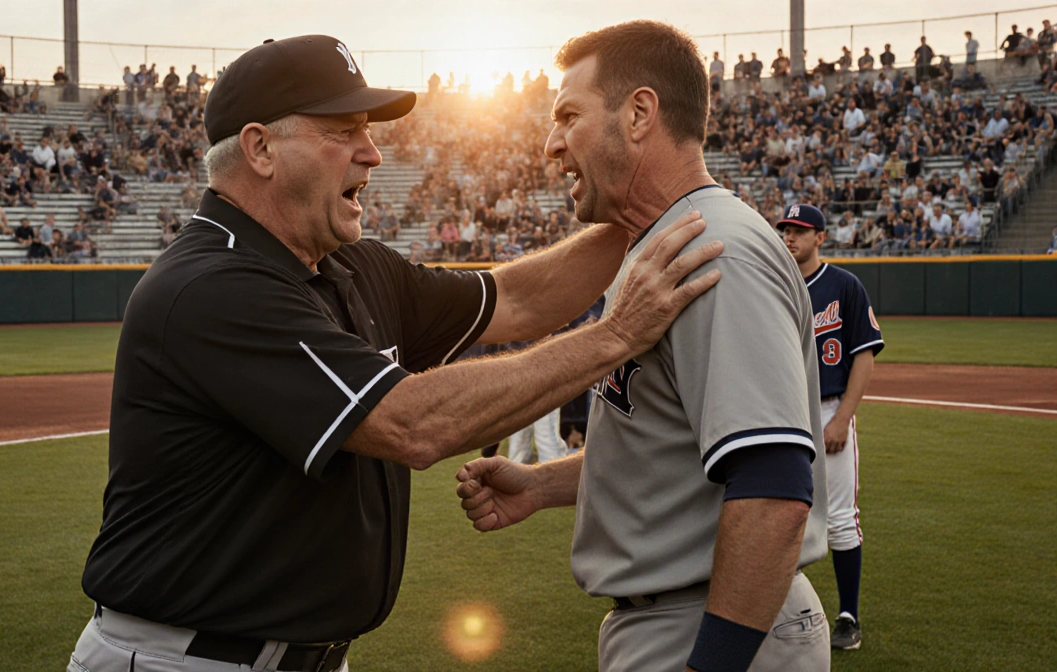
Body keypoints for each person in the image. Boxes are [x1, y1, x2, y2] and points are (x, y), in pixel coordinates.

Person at [67, 34, 722, 672]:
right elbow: (412, 425)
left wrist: (659, 200)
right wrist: (615, 334)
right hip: (186, 658)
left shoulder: (351, 263)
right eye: (343, 131)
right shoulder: (211, 286)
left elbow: (518, 299)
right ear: (261, 149)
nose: (372, 153)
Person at [456, 20, 830, 672]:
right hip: (679, 617)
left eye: (568, 115)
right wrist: (542, 485)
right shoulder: (660, 249)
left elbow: (772, 486)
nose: (550, 143)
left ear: (638, 114)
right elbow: (675, 450)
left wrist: (710, 664)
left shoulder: (715, 251)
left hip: (712, 625)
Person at [776, 204, 882, 651]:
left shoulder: (844, 286)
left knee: (840, 520)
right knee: (778, 515)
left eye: (799, 230)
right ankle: (778, 611)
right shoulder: (772, 283)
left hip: (828, 411)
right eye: (785, 229)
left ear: (820, 236)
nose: (789, 237)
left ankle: (848, 617)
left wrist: (842, 418)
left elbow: (864, 355)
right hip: (781, 413)